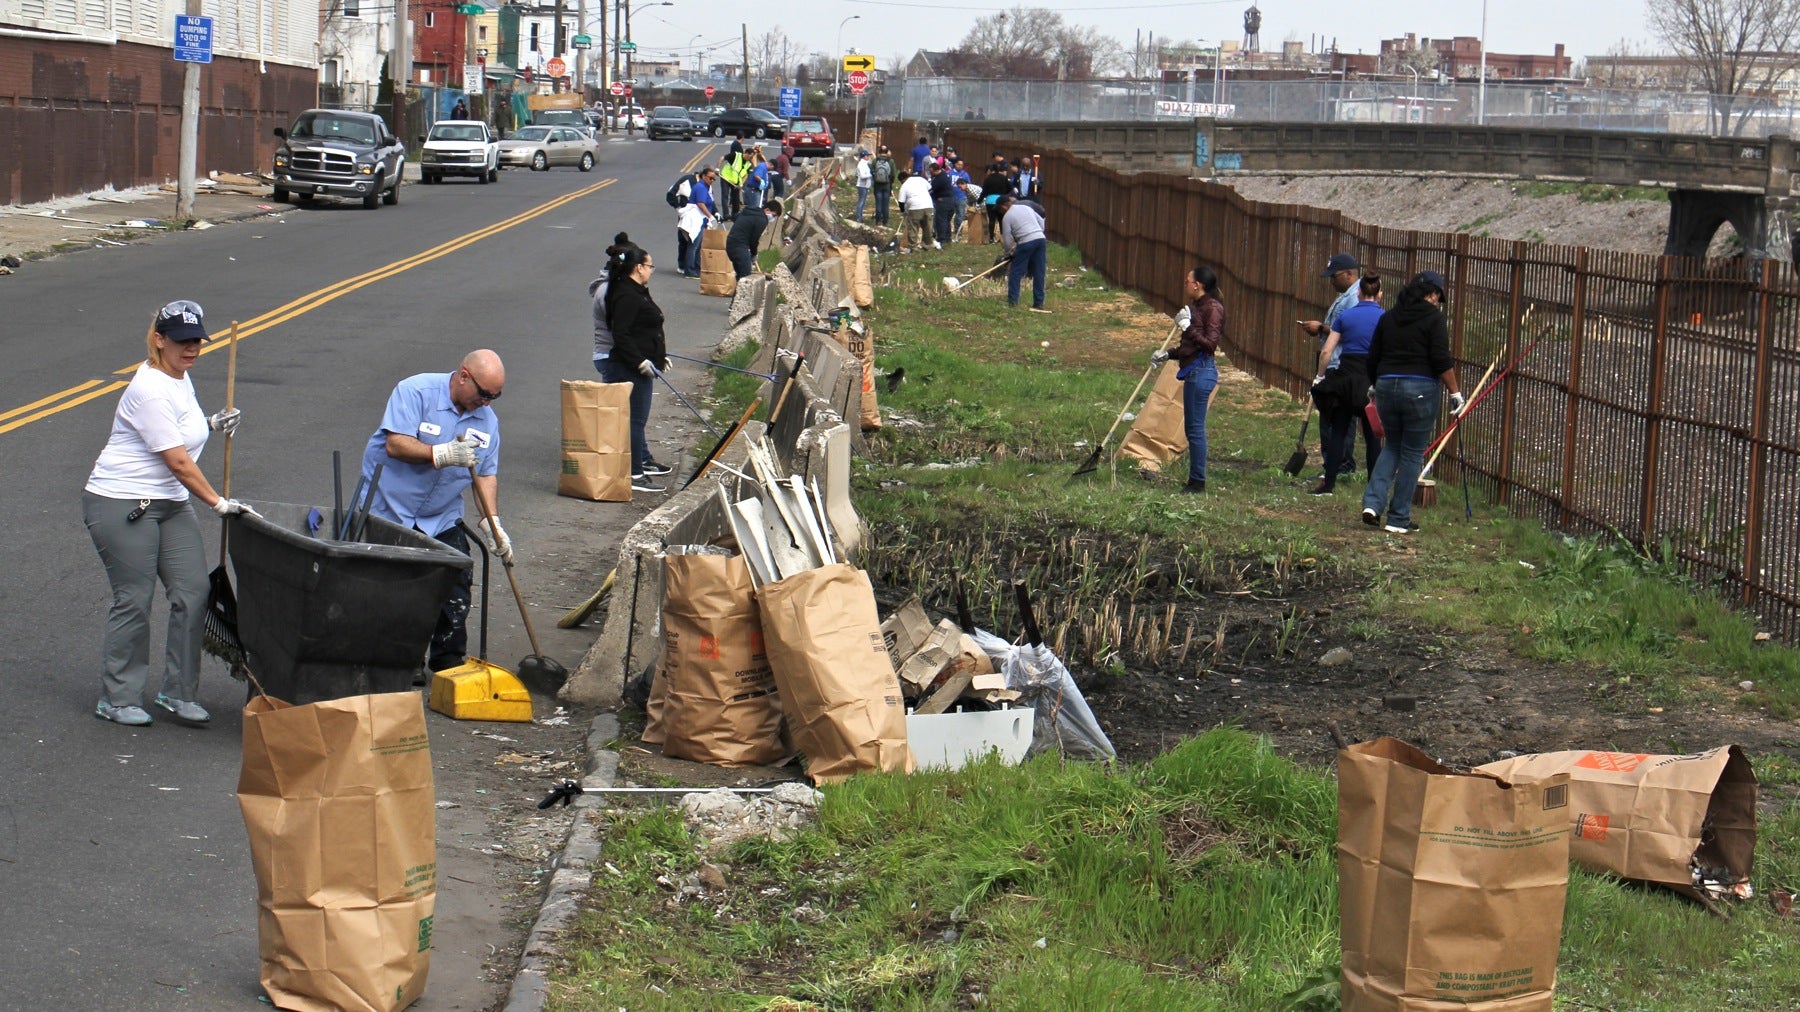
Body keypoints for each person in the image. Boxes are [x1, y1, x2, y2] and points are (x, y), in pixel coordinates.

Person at [84, 300, 252, 726]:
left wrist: (212, 424)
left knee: (193, 593)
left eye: (196, 340)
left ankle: (177, 693)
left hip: (170, 503)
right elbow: (176, 461)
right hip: (123, 502)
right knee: (134, 599)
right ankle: (118, 697)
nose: (191, 348)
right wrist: (219, 503)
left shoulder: (179, 379)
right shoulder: (149, 389)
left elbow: (182, 430)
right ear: (159, 340)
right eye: (181, 341)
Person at [361, 351, 506, 674]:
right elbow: (396, 444)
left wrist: (491, 522)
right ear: (464, 375)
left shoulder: (487, 421)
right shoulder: (416, 391)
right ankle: (401, 659)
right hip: (389, 509)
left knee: (455, 578)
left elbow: (484, 475)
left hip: (439, 516)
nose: (487, 403)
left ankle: (448, 661)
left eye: (495, 397)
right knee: (397, 588)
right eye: (484, 394)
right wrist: (440, 453)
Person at [1361, 270, 1464, 534]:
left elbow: (1373, 357)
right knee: (1411, 452)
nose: (1437, 302)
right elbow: (1441, 359)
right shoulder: (1434, 319)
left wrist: (1376, 385)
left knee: (1392, 445)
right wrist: (1455, 393)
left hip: (1386, 385)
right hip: (1419, 388)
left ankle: (1372, 504)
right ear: (1431, 294)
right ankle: (1398, 518)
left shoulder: (1389, 317)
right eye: (1437, 296)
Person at [602, 246, 674, 493]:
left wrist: (660, 356)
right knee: (634, 421)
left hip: (645, 364)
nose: (652, 271)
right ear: (638, 268)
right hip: (630, 368)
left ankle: (638, 465)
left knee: (636, 421)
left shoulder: (636, 291)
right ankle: (634, 473)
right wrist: (639, 362)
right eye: (650, 266)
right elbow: (621, 334)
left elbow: (645, 328)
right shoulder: (627, 295)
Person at [1309, 273, 1385, 495]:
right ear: (1380, 294)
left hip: (1345, 378)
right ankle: (1373, 486)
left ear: (1359, 293)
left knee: (1338, 431)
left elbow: (1327, 351)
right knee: (1372, 436)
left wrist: (1320, 377)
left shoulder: (1345, 316)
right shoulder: (1384, 318)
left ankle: (1328, 483)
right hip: (1370, 379)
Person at [1150, 267, 1224, 493]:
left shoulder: (1213, 309)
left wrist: (1186, 326)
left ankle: (1197, 482)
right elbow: (1190, 346)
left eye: (1187, 281)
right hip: (1193, 371)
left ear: (1197, 284)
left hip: (1202, 373)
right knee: (1192, 429)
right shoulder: (1197, 307)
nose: (1185, 284)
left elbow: (1209, 345)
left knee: (1195, 430)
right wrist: (1167, 355)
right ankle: (1195, 480)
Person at [1299, 252, 1365, 477]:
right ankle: (1334, 463)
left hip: (1342, 364)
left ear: (1349, 274)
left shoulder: (1355, 296)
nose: (1331, 281)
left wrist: (1321, 328)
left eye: (1334, 276)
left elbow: (1351, 331)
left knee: (1338, 417)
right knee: (1331, 416)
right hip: (1335, 362)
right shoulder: (1345, 295)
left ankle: (1341, 464)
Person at [995, 194, 1048, 313]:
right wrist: (1038, 232)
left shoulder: (1007, 217)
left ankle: (1013, 301)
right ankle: (1038, 302)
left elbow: (1007, 239)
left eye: (999, 208)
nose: (1000, 211)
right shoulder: (1026, 207)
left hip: (1025, 242)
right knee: (1039, 272)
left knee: (1016, 272)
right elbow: (1041, 220)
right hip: (1040, 239)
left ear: (1004, 206)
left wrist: (1009, 253)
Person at [591, 232, 636, 367]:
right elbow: (621, 328)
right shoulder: (609, 291)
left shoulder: (623, 289)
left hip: (619, 356)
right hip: (614, 358)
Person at [725, 198, 782, 279]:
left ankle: (735, 289)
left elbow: (735, 216)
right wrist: (754, 254)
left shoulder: (748, 212)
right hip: (740, 247)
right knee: (746, 277)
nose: (773, 218)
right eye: (774, 215)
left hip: (730, 244)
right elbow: (754, 240)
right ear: (767, 210)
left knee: (740, 274)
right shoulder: (762, 220)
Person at [897, 170, 933, 251]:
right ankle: (927, 244)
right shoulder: (921, 179)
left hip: (914, 207)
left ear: (902, 180)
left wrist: (903, 211)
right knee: (927, 226)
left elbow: (901, 202)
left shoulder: (904, 185)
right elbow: (930, 189)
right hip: (928, 205)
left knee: (913, 227)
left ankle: (913, 246)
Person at [980, 160, 1012, 243]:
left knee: (991, 220)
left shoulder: (988, 179)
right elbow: (1010, 188)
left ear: (991, 170)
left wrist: (978, 201)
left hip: (990, 201)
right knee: (1001, 219)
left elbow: (984, 192)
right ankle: (1002, 236)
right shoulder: (1003, 178)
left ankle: (991, 238)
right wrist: (1004, 195)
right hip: (1001, 201)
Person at [928, 163, 956, 247]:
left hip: (943, 201)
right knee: (947, 221)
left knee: (941, 221)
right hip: (950, 200)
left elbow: (931, 189)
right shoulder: (945, 175)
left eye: (931, 172)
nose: (931, 173)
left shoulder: (940, 178)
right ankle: (948, 238)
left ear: (936, 170)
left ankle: (941, 239)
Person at [719, 139, 748, 217]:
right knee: (725, 196)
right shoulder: (736, 155)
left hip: (735, 181)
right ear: (746, 154)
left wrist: (741, 184)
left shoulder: (748, 163)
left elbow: (746, 175)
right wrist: (717, 169)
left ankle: (735, 214)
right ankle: (726, 214)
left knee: (736, 197)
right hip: (725, 177)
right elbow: (722, 158)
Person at [871, 146, 897, 226]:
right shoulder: (891, 161)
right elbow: (893, 174)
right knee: (886, 204)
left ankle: (878, 221)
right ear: (886, 152)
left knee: (878, 202)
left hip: (877, 184)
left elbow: (872, 171)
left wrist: (875, 179)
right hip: (887, 184)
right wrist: (890, 182)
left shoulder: (875, 160)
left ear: (879, 152)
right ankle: (885, 221)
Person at [742, 146, 770, 210]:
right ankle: (747, 206)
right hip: (749, 176)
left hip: (754, 177)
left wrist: (760, 154)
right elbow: (755, 167)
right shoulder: (750, 157)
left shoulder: (760, 158)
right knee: (747, 193)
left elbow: (765, 162)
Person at [854, 150, 873, 222]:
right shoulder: (861, 164)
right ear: (864, 156)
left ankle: (860, 216)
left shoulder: (865, 164)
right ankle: (859, 217)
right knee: (861, 201)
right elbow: (862, 176)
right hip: (862, 185)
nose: (868, 157)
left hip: (865, 186)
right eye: (867, 156)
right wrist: (870, 175)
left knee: (863, 201)